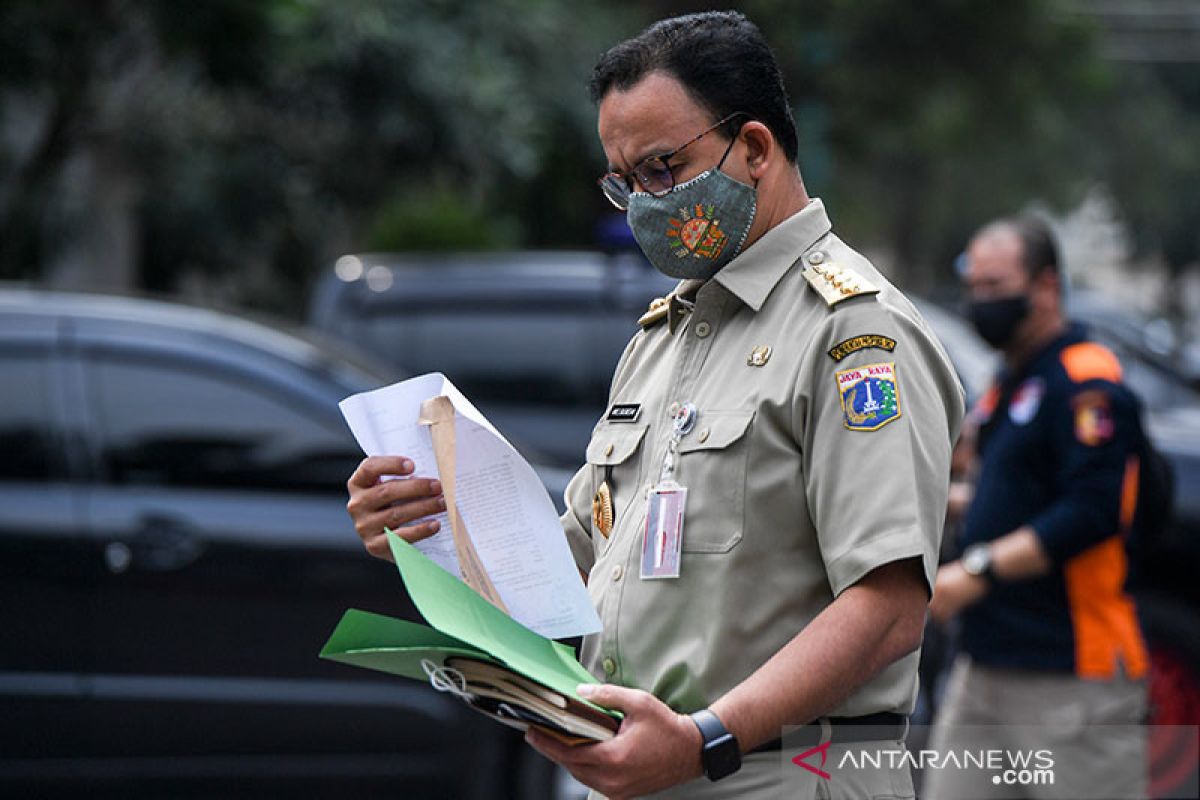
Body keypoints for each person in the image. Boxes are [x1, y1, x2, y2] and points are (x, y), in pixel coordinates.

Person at [346, 12, 964, 799]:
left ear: (754, 149)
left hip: (775, 773)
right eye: (625, 181)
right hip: (639, 768)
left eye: (663, 170)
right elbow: (569, 565)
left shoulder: (853, 333)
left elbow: (888, 608)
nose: (643, 201)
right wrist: (420, 528)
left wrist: (704, 740)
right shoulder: (665, 334)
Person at [926, 216, 1149, 799]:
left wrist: (976, 572)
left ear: (1046, 285)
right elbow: (1011, 500)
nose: (981, 302)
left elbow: (1092, 511)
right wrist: (931, 504)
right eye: (974, 287)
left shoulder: (1086, 378)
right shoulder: (1012, 382)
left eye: (996, 287)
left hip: (1070, 672)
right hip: (984, 666)